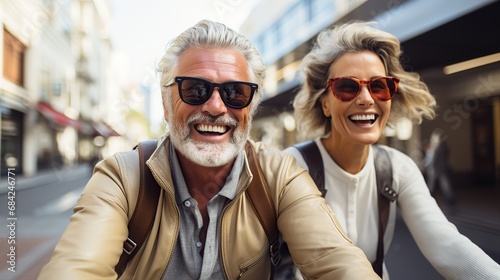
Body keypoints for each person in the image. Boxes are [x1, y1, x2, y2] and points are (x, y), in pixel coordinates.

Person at [38, 20, 380, 280]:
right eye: (195, 89)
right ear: (165, 100)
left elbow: (337, 261)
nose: (217, 107)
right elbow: (75, 268)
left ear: (251, 106)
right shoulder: (122, 178)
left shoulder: (279, 176)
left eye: (235, 93)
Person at [283, 21, 500, 279]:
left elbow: (447, 245)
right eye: (347, 87)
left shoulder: (398, 167)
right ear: (325, 105)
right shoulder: (294, 166)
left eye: (378, 86)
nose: (365, 99)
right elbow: (325, 259)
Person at [423, 129, 456, 205]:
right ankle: (450, 198)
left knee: (432, 185)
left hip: (435, 170)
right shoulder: (445, 148)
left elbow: (431, 160)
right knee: (445, 185)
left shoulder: (435, 148)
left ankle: (429, 198)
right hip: (442, 169)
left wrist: (425, 165)